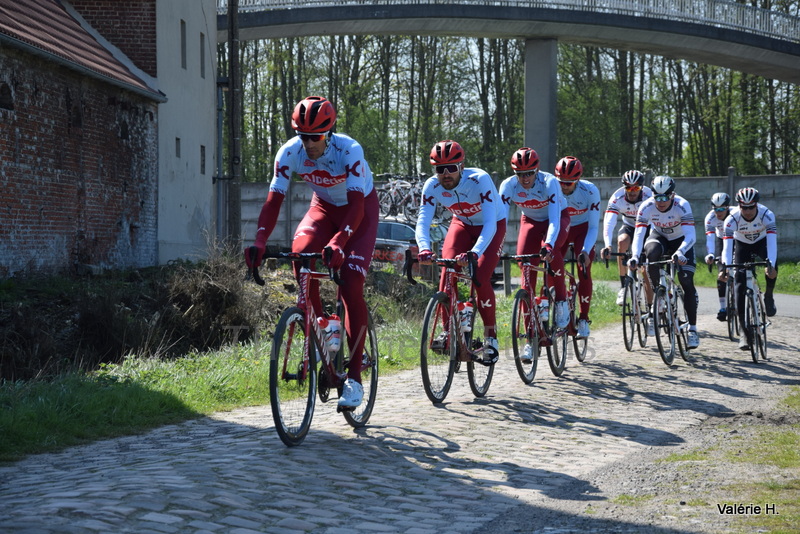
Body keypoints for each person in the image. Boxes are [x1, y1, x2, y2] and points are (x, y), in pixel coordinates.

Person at [244, 96, 378, 409]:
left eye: (315, 137)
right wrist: (260, 242)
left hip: (358, 214)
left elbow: (357, 206)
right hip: (323, 210)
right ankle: (323, 330)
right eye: (303, 136)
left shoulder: (349, 150)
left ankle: (355, 379)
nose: (309, 144)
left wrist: (339, 242)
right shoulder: (290, 152)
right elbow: (273, 202)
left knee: (350, 284)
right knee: (301, 256)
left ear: (329, 133)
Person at [415, 140, 507, 363]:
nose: (446, 174)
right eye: (440, 169)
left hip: (491, 225)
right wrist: (424, 248)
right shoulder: (432, 186)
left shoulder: (480, 180)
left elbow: (489, 224)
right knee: (447, 271)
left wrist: (475, 252)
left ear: (462, 167)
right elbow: (423, 220)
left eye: (451, 168)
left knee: (480, 278)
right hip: (462, 224)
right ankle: (449, 330)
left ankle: (490, 336)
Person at [498, 147, 570, 362]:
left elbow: (555, 219)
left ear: (536, 170)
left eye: (529, 173)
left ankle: (562, 301)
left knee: (553, 252)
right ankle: (530, 338)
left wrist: (548, 244)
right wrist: (495, 246)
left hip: (556, 219)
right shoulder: (508, 185)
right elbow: (499, 219)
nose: (525, 178)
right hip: (529, 221)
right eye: (520, 174)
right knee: (525, 271)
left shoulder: (549, 182)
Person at [627, 175, 700, 349]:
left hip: (681, 241)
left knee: (686, 280)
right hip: (660, 237)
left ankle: (692, 329)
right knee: (650, 253)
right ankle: (659, 293)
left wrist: (681, 251)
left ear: (672, 195)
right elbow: (638, 234)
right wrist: (635, 256)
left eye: (665, 197)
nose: (660, 202)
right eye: (657, 197)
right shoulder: (647, 206)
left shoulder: (682, 205)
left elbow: (691, 235)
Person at [721, 187, 778, 351]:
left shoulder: (767, 215)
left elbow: (773, 244)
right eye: (743, 207)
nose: (747, 211)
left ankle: (768, 295)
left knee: (773, 266)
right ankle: (744, 332)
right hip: (742, 246)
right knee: (738, 284)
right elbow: (727, 247)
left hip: (762, 243)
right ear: (738, 205)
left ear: (756, 205)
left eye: (750, 207)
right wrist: (726, 266)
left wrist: (771, 264)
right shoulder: (731, 219)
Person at [554, 156, 600, 339]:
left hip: (583, 230)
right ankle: (560, 301)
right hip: (561, 228)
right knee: (552, 268)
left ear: (578, 180)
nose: (564, 186)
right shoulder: (552, 188)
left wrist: (585, 251)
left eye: (569, 183)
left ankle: (583, 318)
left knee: (584, 269)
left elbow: (595, 225)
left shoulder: (590, 191)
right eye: (561, 182)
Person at [600, 170, 653, 306]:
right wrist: (607, 245)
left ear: (641, 187)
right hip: (629, 225)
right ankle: (624, 286)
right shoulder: (617, 197)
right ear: (624, 187)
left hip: (648, 227)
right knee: (622, 241)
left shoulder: (649, 195)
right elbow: (609, 223)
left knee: (646, 268)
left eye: (636, 188)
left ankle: (652, 304)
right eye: (629, 187)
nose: (632, 191)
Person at [703, 192, 732, 321]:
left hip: (738, 240)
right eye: (716, 209)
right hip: (721, 240)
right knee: (721, 274)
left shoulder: (736, 213)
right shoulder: (710, 218)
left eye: (722, 209)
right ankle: (723, 307)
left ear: (728, 207)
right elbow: (710, 238)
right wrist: (710, 254)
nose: (719, 212)